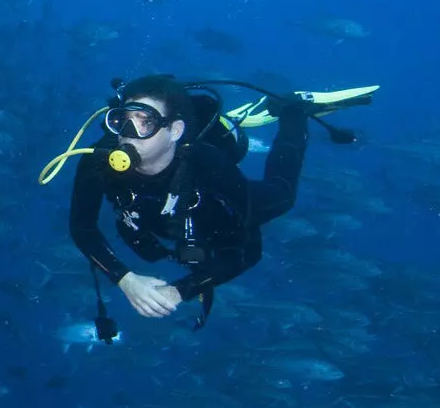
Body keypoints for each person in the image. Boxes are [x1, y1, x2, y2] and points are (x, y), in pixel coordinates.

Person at [68, 75, 309, 321]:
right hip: (164, 219)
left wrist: (181, 290)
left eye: (146, 122)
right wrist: (125, 279)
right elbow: (82, 226)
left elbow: (244, 254)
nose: (129, 135)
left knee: (283, 194)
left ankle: (295, 112)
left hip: (212, 204)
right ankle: (228, 122)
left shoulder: (210, 166)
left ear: (175, 130)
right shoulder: (96, 161)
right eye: (123, 121)